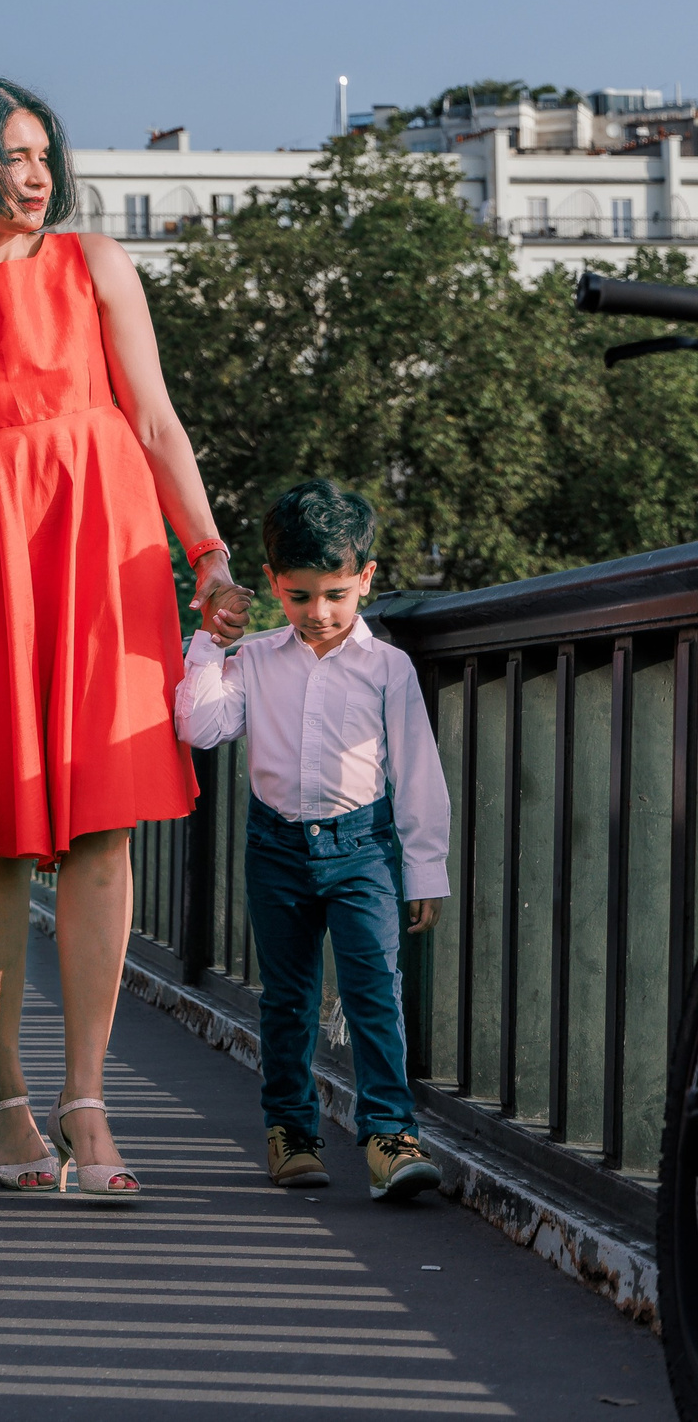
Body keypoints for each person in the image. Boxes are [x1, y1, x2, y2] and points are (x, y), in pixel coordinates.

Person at [0, 75, 250, 1196]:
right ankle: (4, 1098)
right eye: (11, 156)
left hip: (100, 547)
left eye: (42, 156)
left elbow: (157, 420)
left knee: (102, 826)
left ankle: (87, 1098)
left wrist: (207, 555)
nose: (33, 176)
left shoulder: (96, 264)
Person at [176, 479, 449, 1202]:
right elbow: (200, 728)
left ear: (365, 579)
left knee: (373, 992)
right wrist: (207, 640)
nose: (318, 613)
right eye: (299, 597)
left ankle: (391, 1133)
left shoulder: (388, 668)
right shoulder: (257, 659)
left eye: (335, 594)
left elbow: (417, 770)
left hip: (364, 846)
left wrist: (425, 867)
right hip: (276, 848)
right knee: (288, 997)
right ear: (271, 585)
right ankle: (290, 1131)